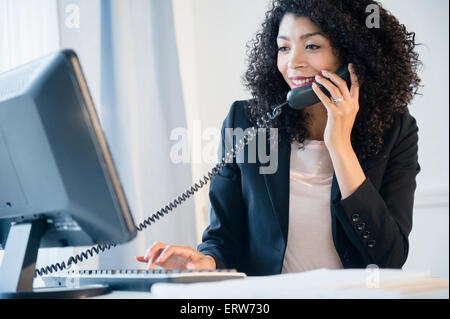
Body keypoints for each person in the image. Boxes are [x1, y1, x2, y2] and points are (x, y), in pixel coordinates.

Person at [136, 0, 422, 276]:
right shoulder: (245, 122)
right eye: (283, 47)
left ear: (350, 55)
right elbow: (223, 237)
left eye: (312, 46)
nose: (293, 62)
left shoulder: (395, 130)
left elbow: (389, 257)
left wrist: (339, 146)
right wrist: (206, 261)